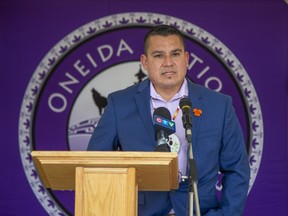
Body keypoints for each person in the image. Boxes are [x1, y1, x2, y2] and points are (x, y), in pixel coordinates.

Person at [87, 25, 250, 216]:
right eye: (158, 55)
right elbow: (95, 166)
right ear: (145, 62)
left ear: (186, 59)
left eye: (175, 54)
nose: (168, 62)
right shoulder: (119, 104)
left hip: (199, 211)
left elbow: (237, 169)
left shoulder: (219, 106)